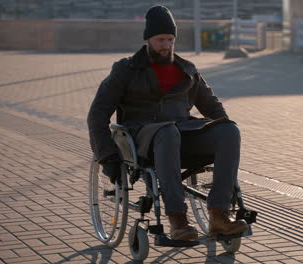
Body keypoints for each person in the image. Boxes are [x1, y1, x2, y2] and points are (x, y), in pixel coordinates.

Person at [87, 5, 248, 241]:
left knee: (229, 131)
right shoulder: (126, 69)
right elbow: (97, 114)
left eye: (170, 40)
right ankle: (178, 220)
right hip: (142, 137)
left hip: (182, 133)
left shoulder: (187, 70)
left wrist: (221, 129)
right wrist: (107, 157)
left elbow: (213, 108)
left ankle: (219, 215)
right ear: (148, 39)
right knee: (167, 132)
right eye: (161, 39)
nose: (166, 46)